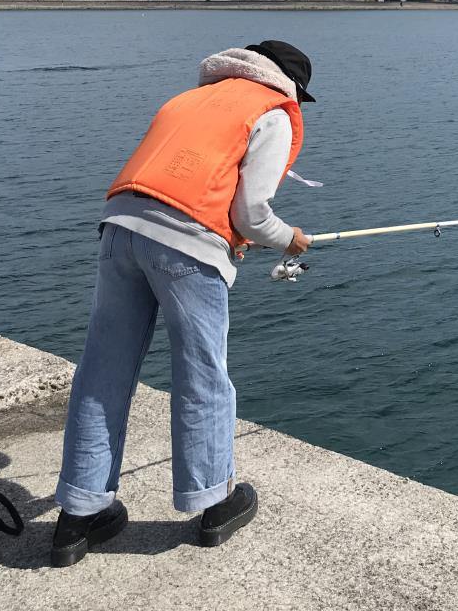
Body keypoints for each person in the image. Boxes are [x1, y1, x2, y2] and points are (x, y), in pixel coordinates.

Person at [50, 41, 315, 567]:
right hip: (187, 244)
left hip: (120, 227)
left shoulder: (190, 100)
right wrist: (291, 239)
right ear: (288, 86)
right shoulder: (270, 111)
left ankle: (77, 516)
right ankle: (213, 503)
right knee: (201, 373)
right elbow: (251, 213)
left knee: (103, 369)